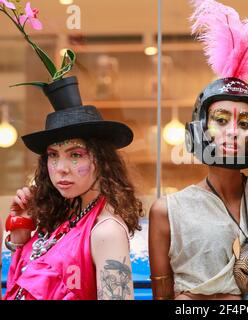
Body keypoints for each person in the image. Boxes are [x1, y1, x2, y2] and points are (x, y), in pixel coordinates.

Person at [148, 0, 248, 300]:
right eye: (220, 120)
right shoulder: (168, 211)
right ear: (200, 126)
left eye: (245, 122)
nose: (233, 131)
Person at [3, 76, 144, 300]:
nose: (61, 168)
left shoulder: (106, 232)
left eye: (76, 155)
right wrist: (21, 233)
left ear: (101, 160)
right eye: (53, 155)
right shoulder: (58, 218)